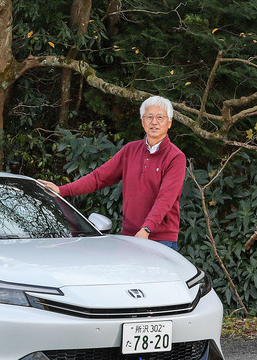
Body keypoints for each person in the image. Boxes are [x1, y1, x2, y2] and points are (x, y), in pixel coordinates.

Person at [39, 96, 186, 250]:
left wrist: (146, 229)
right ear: (143, 122)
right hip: (130, 236)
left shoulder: (175, 157)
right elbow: (98, 178)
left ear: (169, 122)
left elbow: (166, 198)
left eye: (160, 117)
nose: (154, 122)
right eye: (149, 117)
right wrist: (62, 190)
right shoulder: (130, 150)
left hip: (160, 240)